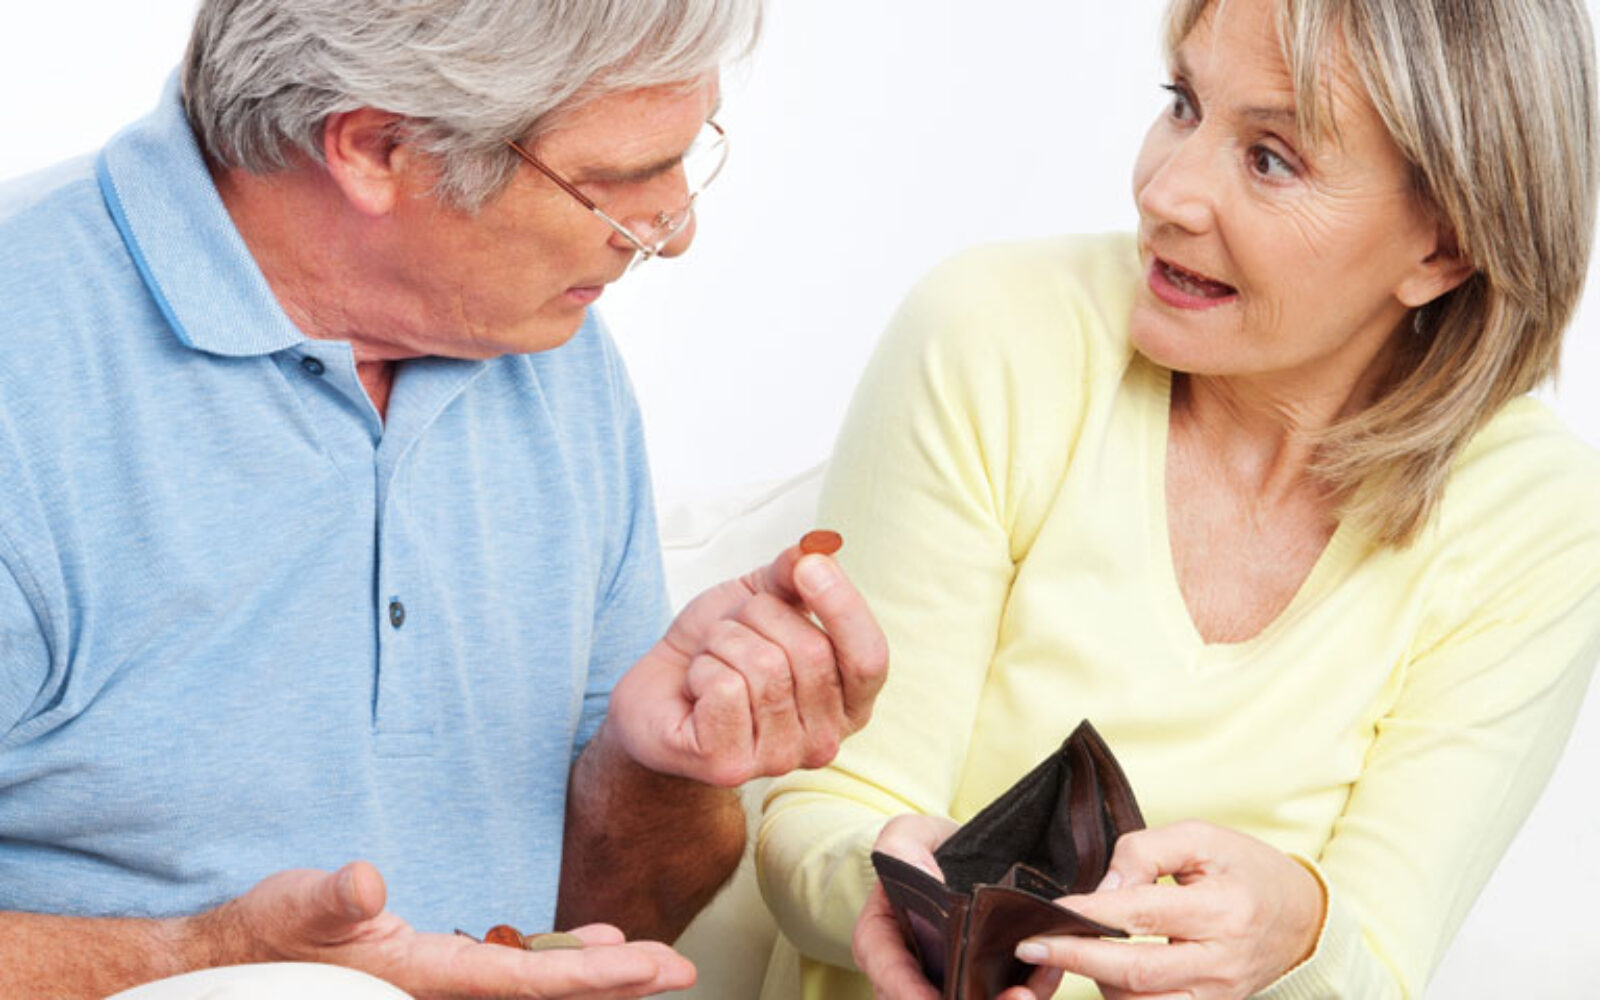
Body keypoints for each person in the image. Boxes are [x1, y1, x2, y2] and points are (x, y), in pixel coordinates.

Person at [0, 1, 891, 998]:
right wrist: (198, 962)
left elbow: (600, 930)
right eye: (612, 183)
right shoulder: (23, 368)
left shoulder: (545, 353)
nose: (674, 231)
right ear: (376, 149)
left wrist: (660, 766)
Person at [755, 0, 1600, 997]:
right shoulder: (996, 336)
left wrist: (1299, 939)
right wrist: (885, 881)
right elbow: (830, 806)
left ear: (1440, 249)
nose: (1164, 192)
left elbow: (1376, 966)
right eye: (1183, 103)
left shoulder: (1534, 516)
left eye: (1271, 159)